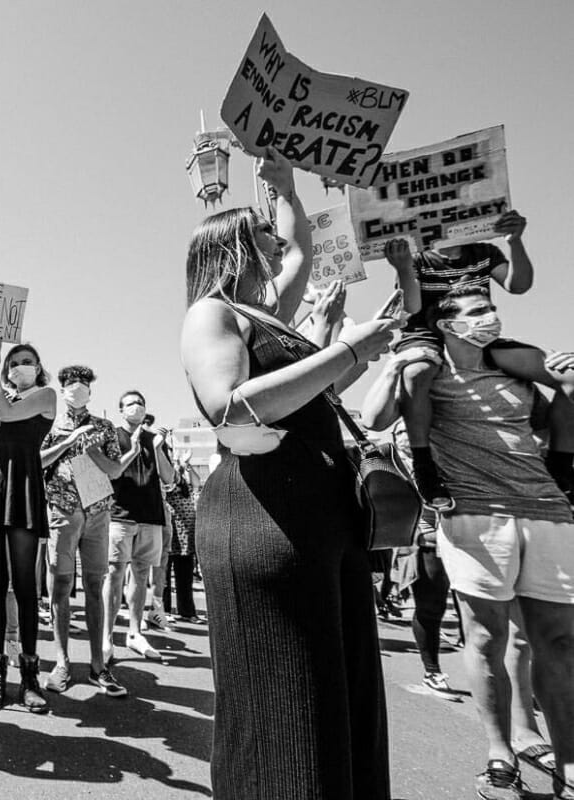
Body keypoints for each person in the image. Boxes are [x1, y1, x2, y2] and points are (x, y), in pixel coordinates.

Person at [180, 151, 400, 798]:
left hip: (321, 513)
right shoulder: (210, 315)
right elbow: (227, 406)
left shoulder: (271, 313)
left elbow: (302, 249)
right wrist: (349, 349)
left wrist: (286, 186)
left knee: (336, 690)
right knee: (284, 701)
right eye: (264, 235)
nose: (279, 246)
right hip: (263, 515)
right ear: (235, 247)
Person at [407, 286, 574, 798]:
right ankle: (500, 751)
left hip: (547, 511)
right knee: (486, 638)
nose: (491, 317)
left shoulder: (517, 372)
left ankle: (568, 764)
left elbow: (555, 421)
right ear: (447, 324)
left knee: (560, 643)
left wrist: (566, 383)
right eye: (478, 311)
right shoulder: (428, 375)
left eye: (491, 308)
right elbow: (388, 418)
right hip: (476, 516)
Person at [383, 217, 574, 508]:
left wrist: (515, 241)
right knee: (417, 372)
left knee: (569, 376)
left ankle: (561, 468)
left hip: (480, 339)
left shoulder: (483, 252)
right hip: (424, 335)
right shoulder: (419, 258)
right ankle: (425, 468)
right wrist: (403, 268)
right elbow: (412, 308)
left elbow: (518, 285)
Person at [0, 339, 55, 714]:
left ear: (38, 366)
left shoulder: (46, 394)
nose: (19, 366)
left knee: (24, 586)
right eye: (14, 362)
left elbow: (6, 413)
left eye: (27, 361)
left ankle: (30, 675)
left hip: (23, 487)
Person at [40, 364, 127, 697]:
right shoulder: (50, 424)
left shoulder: (104, 427)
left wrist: (90, 449)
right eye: (71, 383)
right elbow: (38, 461)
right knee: (60, 584)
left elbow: (116, 469)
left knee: (95, 584)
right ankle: (61, 662)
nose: (78, 388)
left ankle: (97, 666)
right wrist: (69, 441)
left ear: (91, 389)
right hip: (62, 511)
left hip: (98, 514)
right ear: (62, 389)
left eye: (84, 383)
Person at [102, 390, 174, 663]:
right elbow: (112, 471)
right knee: (114, 572)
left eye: (141, 403)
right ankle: (106, 636)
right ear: (121, 410)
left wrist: (157, 448)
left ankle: (134, 632)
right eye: (131, 403)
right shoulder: (113, 436)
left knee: (141, 573)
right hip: (120, 514)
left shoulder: (154, 439)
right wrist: (132, 448)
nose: (137, 407)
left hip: (151, 514)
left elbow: (168, 477)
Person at [162, 449, 200, 623]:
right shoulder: (166, 474)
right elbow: (169, 483)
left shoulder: (184, 477)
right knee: (164, 573)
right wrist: (179, 464)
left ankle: (187, 611)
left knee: (185, 574)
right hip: (170, 527)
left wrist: (188, 466)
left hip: (186, 529)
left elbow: (196, 483)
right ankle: (165, 610)